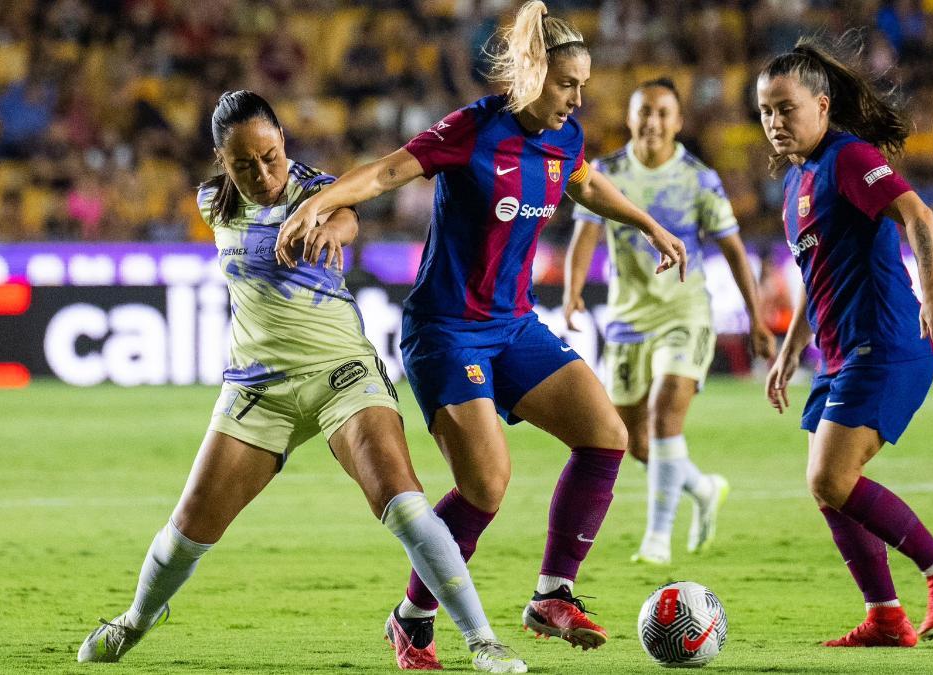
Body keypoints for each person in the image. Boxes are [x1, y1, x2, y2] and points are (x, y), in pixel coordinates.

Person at [275, 1, 686, 663]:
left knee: (607, 434)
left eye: (582, 85)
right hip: (446, 333)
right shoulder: (472, 129)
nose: (576, 98)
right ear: (531, 74)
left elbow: (586, 185)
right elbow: (385, 172)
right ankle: (415, 616)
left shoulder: (565, 138)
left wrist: (647, 223)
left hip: (514, 325)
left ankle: (552, 592)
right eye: (565, 84)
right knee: (487, 486)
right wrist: (322, 201)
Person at [76, 91, 526, 674]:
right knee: (187, 532)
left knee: (405, 502)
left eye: (270, 156)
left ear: (284, 142)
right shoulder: (214, 202)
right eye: (244, 164)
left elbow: (346, 215)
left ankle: (481, 640)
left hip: (342, 374)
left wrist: (330, 227)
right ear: (221, 161)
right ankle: (137, 618)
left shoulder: (315, 190)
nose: (262, 174)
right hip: (257, 388)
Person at [756, 38, 933, 647]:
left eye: (786, 108)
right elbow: (815, 275)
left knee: (831, 480)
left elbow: (919, 215)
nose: (775, 122)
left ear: (822, 105)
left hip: (882, 345)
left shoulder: (848, 158)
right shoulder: (798, 184)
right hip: (839, 354)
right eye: (765, 112)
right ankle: (885, 616)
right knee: (831, 490)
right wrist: (788, 350)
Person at [563, 77, 777, 566]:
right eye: (644, 111)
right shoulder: (606, 171)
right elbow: (586, 236)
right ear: (630, 117)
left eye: (663, 113)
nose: (652, 121)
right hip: (626, 321)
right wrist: (574, 292)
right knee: (636, 441)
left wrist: (757, 319)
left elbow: (735, 252)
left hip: (686, 313)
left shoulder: (699, 179)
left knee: (664, 413)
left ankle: (657, 539)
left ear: (678, 122)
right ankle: (701, 489)